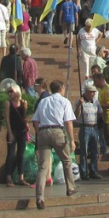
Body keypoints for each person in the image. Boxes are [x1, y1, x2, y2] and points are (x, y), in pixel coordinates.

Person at [31, 80, 77, 209]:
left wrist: (39, 131)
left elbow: (35, 120)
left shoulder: (43, 101)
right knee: (66, 161)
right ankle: (70, 187)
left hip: (43, 132)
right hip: (58, 131)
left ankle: (40, 197)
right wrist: (72, 139)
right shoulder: (64, 101)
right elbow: (68, 122)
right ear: (61, 89)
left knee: (43, 167)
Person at [3, 84, 30, 187]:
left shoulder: (23, 103)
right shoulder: (8, 103)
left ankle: (21, 178)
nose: (9, 93)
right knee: (10, 154)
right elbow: (7, 119)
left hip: (22, 131)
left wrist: (27, 125)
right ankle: (8, 178)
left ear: (16, 91)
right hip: (13, 130)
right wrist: (9, 132)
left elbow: (24, 117)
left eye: (11, 91)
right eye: (8, 92)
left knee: (21, 154)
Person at [76, 81, 102, 181]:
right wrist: (79, 105)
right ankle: (84, 171)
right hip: (85, 127)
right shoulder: (80, 101)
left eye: (94, 92)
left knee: (95, 150)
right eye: (91, 92)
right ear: (86, 92)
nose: (93, 94)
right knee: (84, 151)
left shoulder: (95, 101)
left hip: (94, 127)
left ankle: (94, 170)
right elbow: (76, 115)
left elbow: (100, 112)